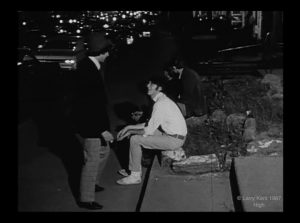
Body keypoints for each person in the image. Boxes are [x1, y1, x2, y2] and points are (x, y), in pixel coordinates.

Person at [116, 76, 187, 185]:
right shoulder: (162, 100)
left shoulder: (160, 104)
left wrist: (130, 132)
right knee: (136, 135)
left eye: (152, 84)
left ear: (159, 88)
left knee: (135, 139)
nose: (148, 86)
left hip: (174, 140)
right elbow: (150, 124)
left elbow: (148, 130)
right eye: (149, 83)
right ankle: (134, 168)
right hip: (172, 135)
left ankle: (135, 175)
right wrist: (128, 127)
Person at [71, 32, 114, 210]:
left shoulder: (89, 65)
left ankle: (93, 183)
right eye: (107, 52)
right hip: (90, 126)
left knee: (104, 152)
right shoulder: (88, 71)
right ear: (101, 52)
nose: (109, 55)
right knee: (92, 160)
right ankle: (86, 199)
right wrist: (101, 130)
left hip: (93, 123)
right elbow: (89, 106)